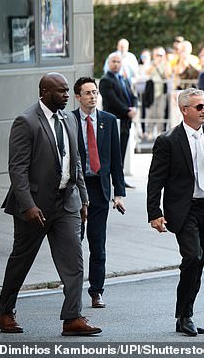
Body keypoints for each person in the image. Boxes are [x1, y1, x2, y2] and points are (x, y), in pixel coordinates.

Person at [0, 72, 101, 336]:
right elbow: (17, 169)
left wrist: (84, 199)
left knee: (74, 263)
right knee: (21, 261)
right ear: (44, 92)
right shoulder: (26, 121)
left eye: (67, 91)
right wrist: (28, 205)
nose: (67, 95)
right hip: (35, 207)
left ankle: (72, 318)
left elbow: (75, 162)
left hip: (67, 202)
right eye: (61, 91)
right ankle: (4, 312)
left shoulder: (69, 119)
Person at [147, 88, 204, 336]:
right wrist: (154, 213)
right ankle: (184, 315)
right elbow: (155, 179)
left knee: (198, 263)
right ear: (184, 110)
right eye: (198, 107)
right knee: (192, 256)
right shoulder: (168, 140)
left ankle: (185, 313)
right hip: (183, 209)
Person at [72, 77, 126, 309]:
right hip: (75, 190)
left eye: (95, 92)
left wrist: (119, 193)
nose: (93, 96)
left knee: (98, 243)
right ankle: (71, 290)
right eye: (87, 93)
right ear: (78, 97)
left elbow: (116, 160)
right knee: (73, 243)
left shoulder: (108, 121)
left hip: (99, 189)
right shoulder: (69, 121)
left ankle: (96, 291)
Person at [99, 52, 138, 188]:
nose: (116, 64)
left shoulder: (124, 79)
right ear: (108, 63)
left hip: (126, 121)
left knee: (121, 152)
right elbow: (112, 101)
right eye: (113, 61)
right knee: (112, 154)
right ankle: (111, 183)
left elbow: (133, 96)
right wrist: (127, 110)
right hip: (115, 121)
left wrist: (134, 108)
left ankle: (120, 182)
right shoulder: (106, 80)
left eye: (118, 62)